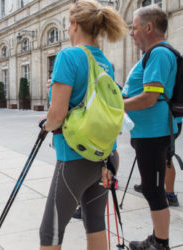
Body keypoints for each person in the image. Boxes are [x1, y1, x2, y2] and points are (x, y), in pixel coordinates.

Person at [38, 1, 126, 249]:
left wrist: (46, 125)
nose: (67, 29)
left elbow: (56, 116)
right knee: (96, 223)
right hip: (106, 156)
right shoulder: (103, 61)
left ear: (75, 24)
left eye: (68, 23)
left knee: (50, 232)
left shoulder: (68, 55)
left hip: (75, 158)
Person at [122, 5, 178, 250]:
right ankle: (156, 238)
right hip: (148, 133)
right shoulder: (153, 54)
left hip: (153, 134)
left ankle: (161, 243)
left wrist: (115, 107)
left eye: (134, 28)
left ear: (148, 27)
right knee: (151, 188)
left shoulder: (159, 54)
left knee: (154, 191)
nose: (131, 33)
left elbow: (149, 98)